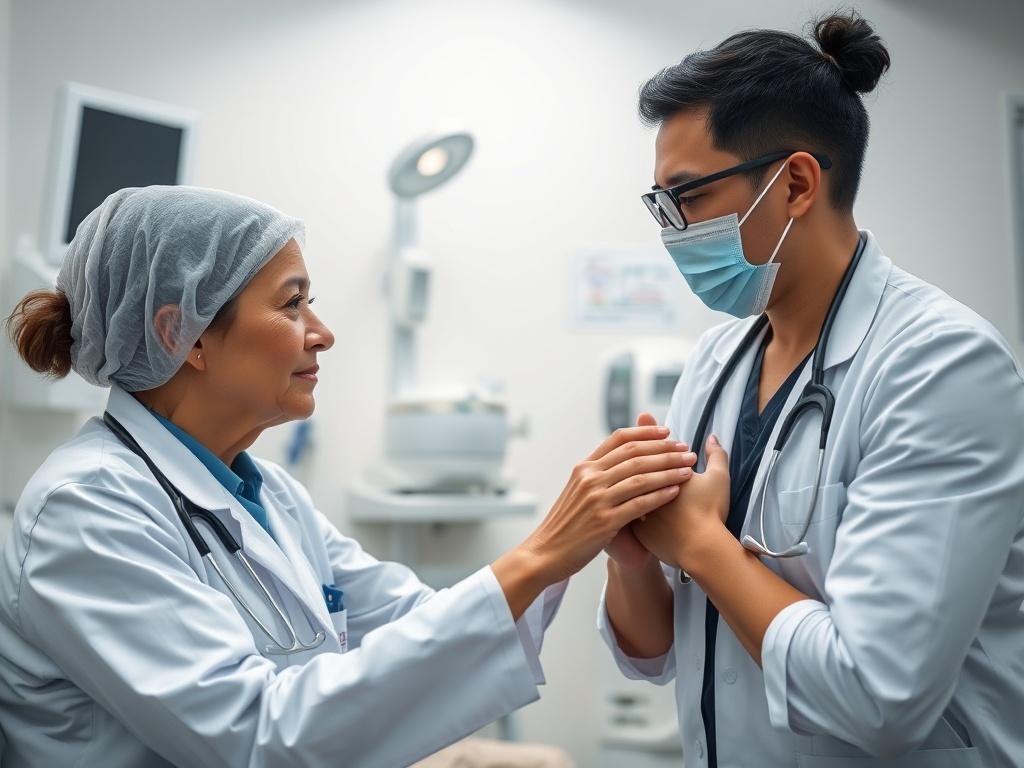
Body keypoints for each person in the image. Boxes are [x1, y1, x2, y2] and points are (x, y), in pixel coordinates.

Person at [0, 186, 696, 768]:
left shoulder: (266, 494)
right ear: (184, 336)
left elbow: (416, 622)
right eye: (292, 303)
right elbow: (257, 739)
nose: (322, 332)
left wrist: (587, 540)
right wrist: (542, 550)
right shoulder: (87, 509)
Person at [599, 11, 1024, 767]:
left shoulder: (940, 366)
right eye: (659, 204)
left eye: (688, 197)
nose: (671, 232)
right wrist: (630, 550)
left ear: (794, 183)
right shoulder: (716, 361)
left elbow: (879, 696)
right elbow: (658, 650)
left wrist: (699, 542)